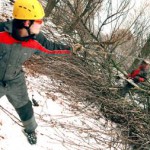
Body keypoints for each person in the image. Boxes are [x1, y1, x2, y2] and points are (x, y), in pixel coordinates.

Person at [0, 0, 82, 145]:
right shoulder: (1, 32)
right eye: (38, 21)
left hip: (15, 79)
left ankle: (30, 130)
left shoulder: (37, 39)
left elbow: (51, 48)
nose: (41, 24)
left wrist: (71, 49)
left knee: (25, 106)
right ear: (26, 22)